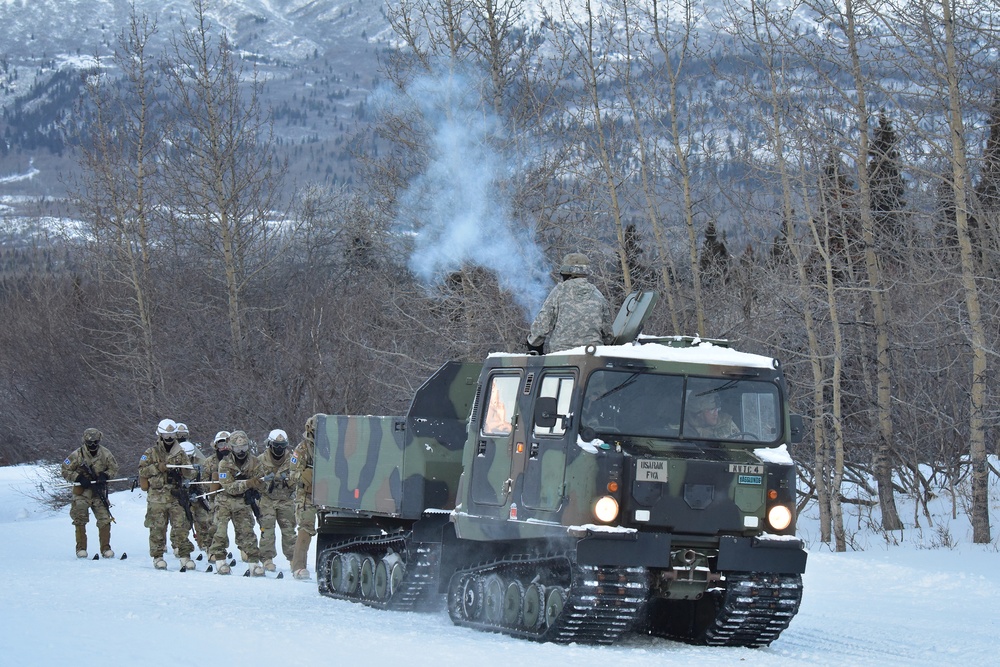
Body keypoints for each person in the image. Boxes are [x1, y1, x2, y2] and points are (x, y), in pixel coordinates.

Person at [137, 419, 197, 570]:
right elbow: (142, 470)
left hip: (175, 495)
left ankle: (184, 555)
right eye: (166, 435)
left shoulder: (180, 452)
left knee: (181, 526)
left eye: (171, 435)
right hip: (157, 496)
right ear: (160, 435)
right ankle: (158, 556)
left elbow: (190, 472)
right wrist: (159, 467)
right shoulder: (150, 452)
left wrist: (183, 471)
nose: (169, 439)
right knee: (157, 527)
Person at [527, 252, 613, 354]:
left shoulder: (559, 292)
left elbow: (540, 329)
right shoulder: (598, 295)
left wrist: (533, 345)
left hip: (562, 358)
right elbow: (608, 337)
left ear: (566, 273)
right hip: (593, 356)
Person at [209, 430, 266, 576]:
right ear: (231, 447)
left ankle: (254, 563)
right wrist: (248, 483)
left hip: (243, 502)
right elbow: (229, 486)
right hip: (224, 501)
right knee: (220, 532)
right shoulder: (224, 463)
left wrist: (255, 487)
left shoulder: (255, 462)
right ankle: (220, 561)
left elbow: (262, 482)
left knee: (247, 532)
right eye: (237, 448)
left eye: (244, 447)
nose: (241, 451)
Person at [60, 428, 120, 558]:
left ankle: (105, 548)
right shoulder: (77, 455)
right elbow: (65, 470)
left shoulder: (105, 453)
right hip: (82, 493)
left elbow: (114, 468)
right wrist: (78, 478)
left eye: (95, 442)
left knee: (104, 519)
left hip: (98, 492)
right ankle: (81, 548)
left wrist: (105, 475)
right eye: (90, 442)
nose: (93, 445)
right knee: (80, 519)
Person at [257, 429, 296, 572]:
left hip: (286, 499)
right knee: (267, 530)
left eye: (282, 445)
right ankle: (267, 559)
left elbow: (298, 477)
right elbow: (255, 480)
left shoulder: (292, 460)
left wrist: (289, 479)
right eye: (276, 445)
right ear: (270, 444)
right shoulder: (261, 459)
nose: (279, 449)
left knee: (289, 531)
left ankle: (294, 560)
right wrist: (265, 481)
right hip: (267, 499)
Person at [289, 415, 319, 580]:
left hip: (329, 494)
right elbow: (293, 474)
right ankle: (298, 566)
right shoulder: (302, 449)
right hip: (306, 495)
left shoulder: (333, 445)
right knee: (306, 527)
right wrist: (309, 475)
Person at [176, 424, 213, 555]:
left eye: (183, 435)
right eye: (178, 435)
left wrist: (201, 492)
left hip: (196, 496)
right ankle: (179, 546)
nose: (181, 437)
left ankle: (207, 545)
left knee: (204, 519)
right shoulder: (172, 457)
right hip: (179, 497)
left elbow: (204, 473)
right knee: (181, 523)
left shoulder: (196, 456)